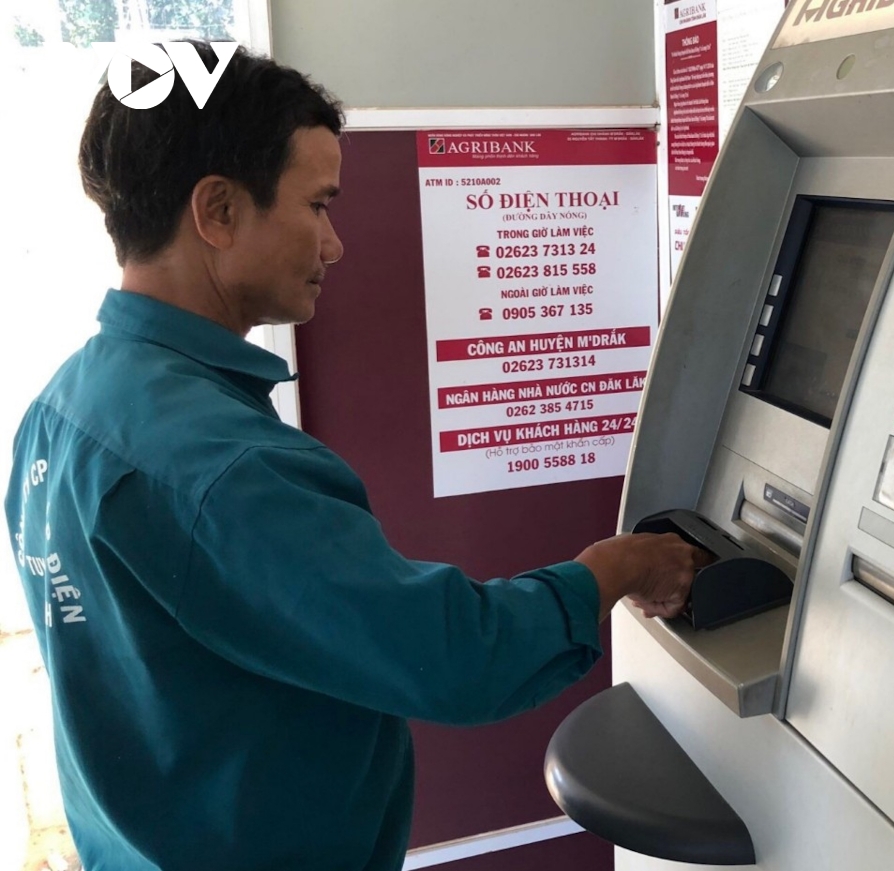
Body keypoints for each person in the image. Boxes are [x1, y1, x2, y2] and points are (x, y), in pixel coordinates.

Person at [4, 43, 703, 871]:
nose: (334, 244)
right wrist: (619, 566)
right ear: (218, 211)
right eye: (318, 205)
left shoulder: (59, 412)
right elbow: (458, 657)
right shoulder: (226, 469)